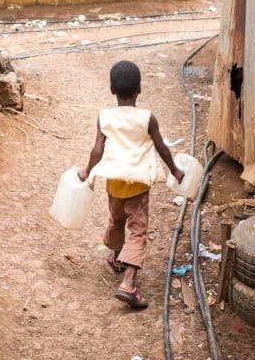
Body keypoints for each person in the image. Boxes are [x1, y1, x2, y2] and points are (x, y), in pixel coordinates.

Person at [78, 60, 184, 309]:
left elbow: (97, 148)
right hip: (137, 186)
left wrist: (87, 169)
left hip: (114, 184)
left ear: (112, 90)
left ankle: (116, 257)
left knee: (116, 221)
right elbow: (162, 148)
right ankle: (128, 283)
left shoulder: (104, 116)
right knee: (138, 230)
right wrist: (175, 170)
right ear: (140, 89)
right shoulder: (147, 118)